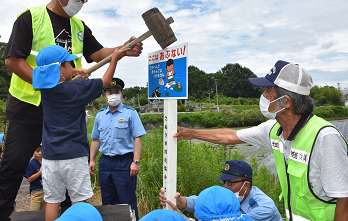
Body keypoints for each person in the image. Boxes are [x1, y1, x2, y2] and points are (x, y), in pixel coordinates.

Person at [0, 0, 142, 221]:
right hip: (27, 108)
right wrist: (49, 84)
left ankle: (70, 217)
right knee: (11, 167)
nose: (79, 2)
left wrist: (122, 49)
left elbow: (99, 53)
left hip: (63, 114)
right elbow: (13, 60)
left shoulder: (78, 26)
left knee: (64, 168)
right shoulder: (30, 18)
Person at [174, 60, 348, 221]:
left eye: (268, 91)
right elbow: (230, 136)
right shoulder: (273, 129)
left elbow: (344, 200)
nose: (263, 96)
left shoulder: (324, 137)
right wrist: (192, 133)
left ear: (285, 102)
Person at [35, 45, 128, 221]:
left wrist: (74, 72)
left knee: (53, 201)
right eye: (70, 63)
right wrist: (114, 59)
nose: (72, 66)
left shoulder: (44, 88)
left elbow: (58, 78)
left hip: (50, 156)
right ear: (61, 67)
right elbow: (106, 81)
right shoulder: (78, 88)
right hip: (73, 154)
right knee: (78, 200)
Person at [89, 77, 146, 220]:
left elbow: (137, 138)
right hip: (105, 163)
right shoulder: (100, 115)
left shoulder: (130, 113)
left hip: (124, 162)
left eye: (116, 92)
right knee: (108, 201)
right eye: (110, 92)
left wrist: (136, 162)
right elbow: (96, 139)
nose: (113, 95)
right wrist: (91, 160)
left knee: (127, 201)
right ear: (105, 95)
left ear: (121, 94)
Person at [159, 159, 282, 221]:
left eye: (230, 183)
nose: (225, 187)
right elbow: (210, 203)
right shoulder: (235, 194)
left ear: (246, 185)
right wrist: (181, 201)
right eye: (223, 182)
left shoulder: (265, 208)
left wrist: (182, 218)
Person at [24, 143, 45, 211]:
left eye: (42, 150)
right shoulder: (31, 164)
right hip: (36, 192)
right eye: (37, 151)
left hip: (47, 192)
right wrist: (40, 172)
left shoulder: (47, 162)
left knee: (44, 212)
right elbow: (29, 179)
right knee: (34, 211)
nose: (40, 153)